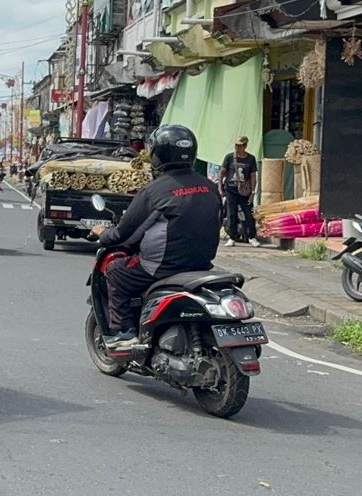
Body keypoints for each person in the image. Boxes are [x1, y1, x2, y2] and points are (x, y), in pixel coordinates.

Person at [90, 125, 222, 351]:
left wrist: (103, 233)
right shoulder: (210, 187)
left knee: (115, 271)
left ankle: (124, 332)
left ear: (157, 154)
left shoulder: (154, 191)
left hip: (163, 268)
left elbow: (124, 234)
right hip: (201, 266)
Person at [220, 136, 263, 247]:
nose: (237, 148)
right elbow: (222, 172)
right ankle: (232, 236)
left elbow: (253, 176)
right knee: (231, 213)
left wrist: (253, 192)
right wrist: (220, 187)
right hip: (231, 189)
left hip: (245, 191)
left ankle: (251, 236)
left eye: (240, 146)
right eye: (236, 145)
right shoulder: (229, 157)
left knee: (248, 213)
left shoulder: (251, 159)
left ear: (245, 146)